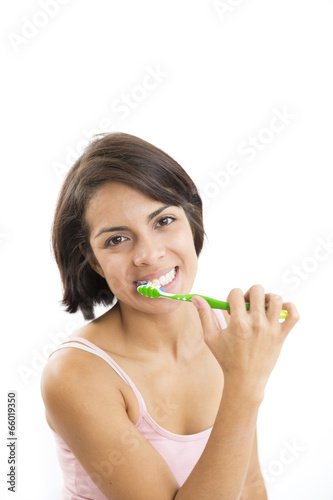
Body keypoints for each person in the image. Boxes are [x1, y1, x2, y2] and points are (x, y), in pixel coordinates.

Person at [41, 132, 300, 500]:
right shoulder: (74, 375)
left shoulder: (227, 336)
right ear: (93, 259)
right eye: (117, 239)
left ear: (191, 218)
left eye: (163, 221)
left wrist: (244, 374)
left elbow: (251, 487)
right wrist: (244, 384)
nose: (148, 254)